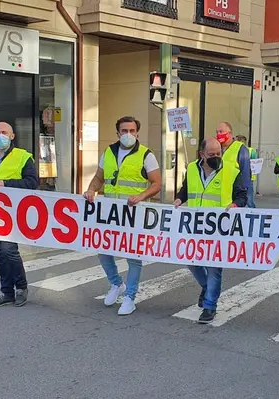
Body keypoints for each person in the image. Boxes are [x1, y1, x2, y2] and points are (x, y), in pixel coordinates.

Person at [83, 116, 162, 315]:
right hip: (110, 213)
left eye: (132, 130)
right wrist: (91, 190)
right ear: (117, 133)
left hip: (134, 214)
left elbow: (156, 184)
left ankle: (130, 297)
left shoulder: (146, 155)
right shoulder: (108, 152)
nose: (128, 134)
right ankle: (117, 284)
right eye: (124, 131)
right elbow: (99, 177)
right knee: (103, 250)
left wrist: (141, 195)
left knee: (133, 256)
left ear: (137, 133)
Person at [174, 137, 247, 324]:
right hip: (195, 226)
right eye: (211, 154)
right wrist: (179, 200)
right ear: (201, 155)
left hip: (218, 228)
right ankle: (206, 287)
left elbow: (242, 195)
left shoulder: (231, 170)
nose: (216, 157)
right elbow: (185, 189)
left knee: (214, 269)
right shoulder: (191, 169)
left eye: (219, 153)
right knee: (191, 261)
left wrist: (235, 204)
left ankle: (209, 306)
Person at [0, 122, 39, 308]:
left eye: (4, 132)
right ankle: (6, 292)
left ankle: (21, 288)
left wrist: (7, 184)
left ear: (12, 136)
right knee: (0, 253)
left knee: (10, 251)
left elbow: (32, 182)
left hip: (16, 212)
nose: (0, 135)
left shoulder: (23, 157)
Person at [216, 122, 252, 207]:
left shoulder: (240, 149)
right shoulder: (216, 148)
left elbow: (245, 173)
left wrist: (241, 197)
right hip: (220, 191)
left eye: (221, 132)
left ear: (230, 133)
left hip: (235, 192)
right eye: (217, 132)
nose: (218, 134)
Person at [236, 134, 258, 207]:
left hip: (248, 178)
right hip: (237, 177)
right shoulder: (234, 151)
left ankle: (253, 213)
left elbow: (255, 164)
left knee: (249, 199)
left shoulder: (251, 151)